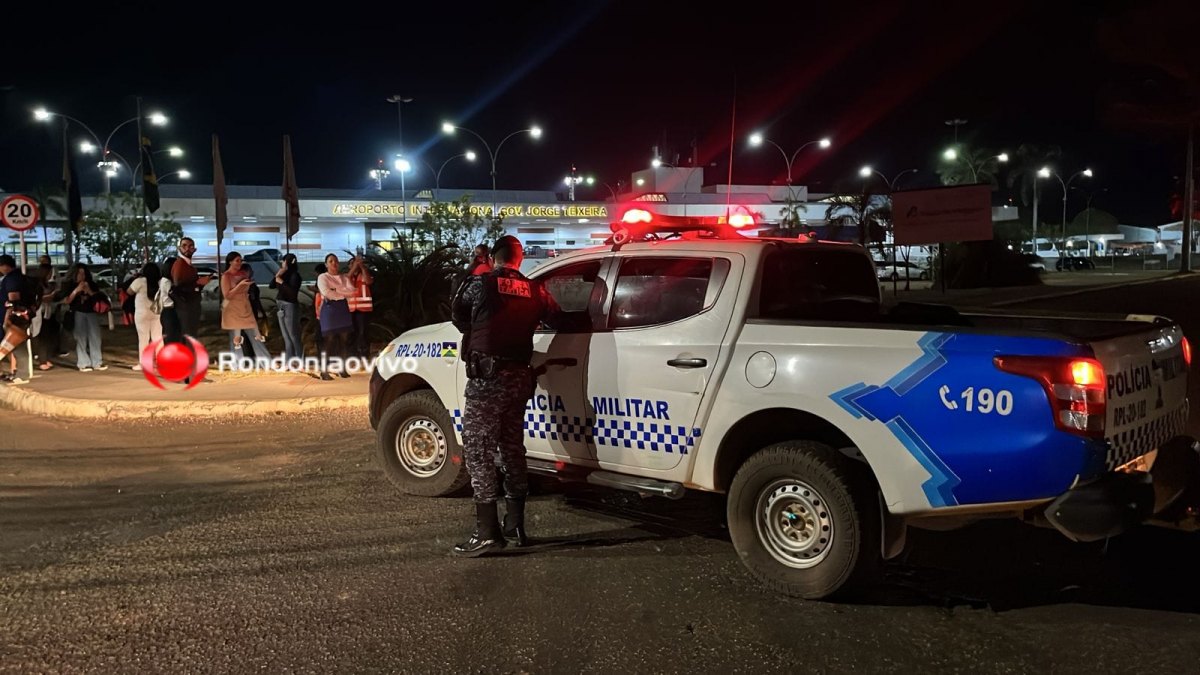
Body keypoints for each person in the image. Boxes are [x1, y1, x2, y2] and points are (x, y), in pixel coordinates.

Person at [450, 235, 564, 556]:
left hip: (487, 378)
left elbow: (458, 315)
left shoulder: (481, 284)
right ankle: (515, 524)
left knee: (477, 450)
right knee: (512, 448)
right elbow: (557, 318)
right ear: (520, 257)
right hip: (519, 378)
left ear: (496, 257)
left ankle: (487, 532)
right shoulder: (535, 290)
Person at [220, 252, 271, 363]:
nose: (239, 263)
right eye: (237, 260)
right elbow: (227, 295)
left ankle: (266, 361)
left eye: (240, 260)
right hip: (233, 308)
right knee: (236, 338)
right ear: (230, 262)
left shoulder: (243, 273)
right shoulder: (226, 276)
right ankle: (238, 364)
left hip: (245, 306)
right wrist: (240, 286)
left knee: (255, 334)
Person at [316, 254, 354, 380]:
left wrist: (336, 290)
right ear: (326, 264)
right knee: (328, 341)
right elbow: (326, 292)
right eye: (331, 261)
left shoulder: (343, 277)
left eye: (336, 261)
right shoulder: (323, 277)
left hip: (343, 309)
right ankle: (323, 371)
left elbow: (352, 291)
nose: (334, 263)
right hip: (329, 310)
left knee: (344, 341)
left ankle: (342, 368)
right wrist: (342, 291)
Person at [62, 263, 106, 372]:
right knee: (80, 337)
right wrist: (76, 290)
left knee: (95, 337)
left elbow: (97, 298)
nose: (82, 276)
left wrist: (89, 290)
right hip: (78, 312)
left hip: (91, 312)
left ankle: (97, 362)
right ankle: (83, 363)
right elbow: (67, 300)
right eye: (79, 273)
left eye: (83, 273)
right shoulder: (70, 285)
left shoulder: (91, 284)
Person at [0, 255, 34, 384]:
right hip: (22, 315)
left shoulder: (12, 279)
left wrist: (7, 318)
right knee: (18, 345)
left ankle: (22, 374)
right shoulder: (20, 277)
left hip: (15, 317)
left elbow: (13, 299)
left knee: (17, 345)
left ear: (5, 266)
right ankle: (21, 373)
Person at [171, 237, 210, 339]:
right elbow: (178, 286)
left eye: (190, 246)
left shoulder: (189, 266)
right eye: (184, 246)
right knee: (188, 335)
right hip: (185, 307)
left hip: (190, 306)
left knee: (190, 334)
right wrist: (198, 284)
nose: (187, 248)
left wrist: (199, 284)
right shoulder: (180, 264)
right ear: (179, 248)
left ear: (194, 249)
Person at [127, 262, 163, 371]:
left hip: (142, 314)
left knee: (143, 339)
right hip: (156, 313)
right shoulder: (161, 282)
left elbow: (129, 292)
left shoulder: (139, 281)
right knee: (158, 338)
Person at [270, 253, 303, 360]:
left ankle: (300, 359)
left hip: (290, 306)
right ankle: (289, 360)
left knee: (293, 335)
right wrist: (278, 274)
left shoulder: (295, 276)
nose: (282, 263)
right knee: (286, 336)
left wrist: (282, 282)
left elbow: (292, 293)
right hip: (280, 305)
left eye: (283, 261)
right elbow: (271, 285)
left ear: (287, 262)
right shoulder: (283, 274)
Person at [347, 254, 374, 359]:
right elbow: (346, 280)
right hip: (351, 309)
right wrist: (354, 267)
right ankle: (353, 354)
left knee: (363, 333)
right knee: (351, 333)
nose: (355, 265)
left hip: (363, 309)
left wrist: (362, 267)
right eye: (352, 263)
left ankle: (364, 354)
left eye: (357, 262)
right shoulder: (347, 276)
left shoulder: (364, 274)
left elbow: (369, 281)